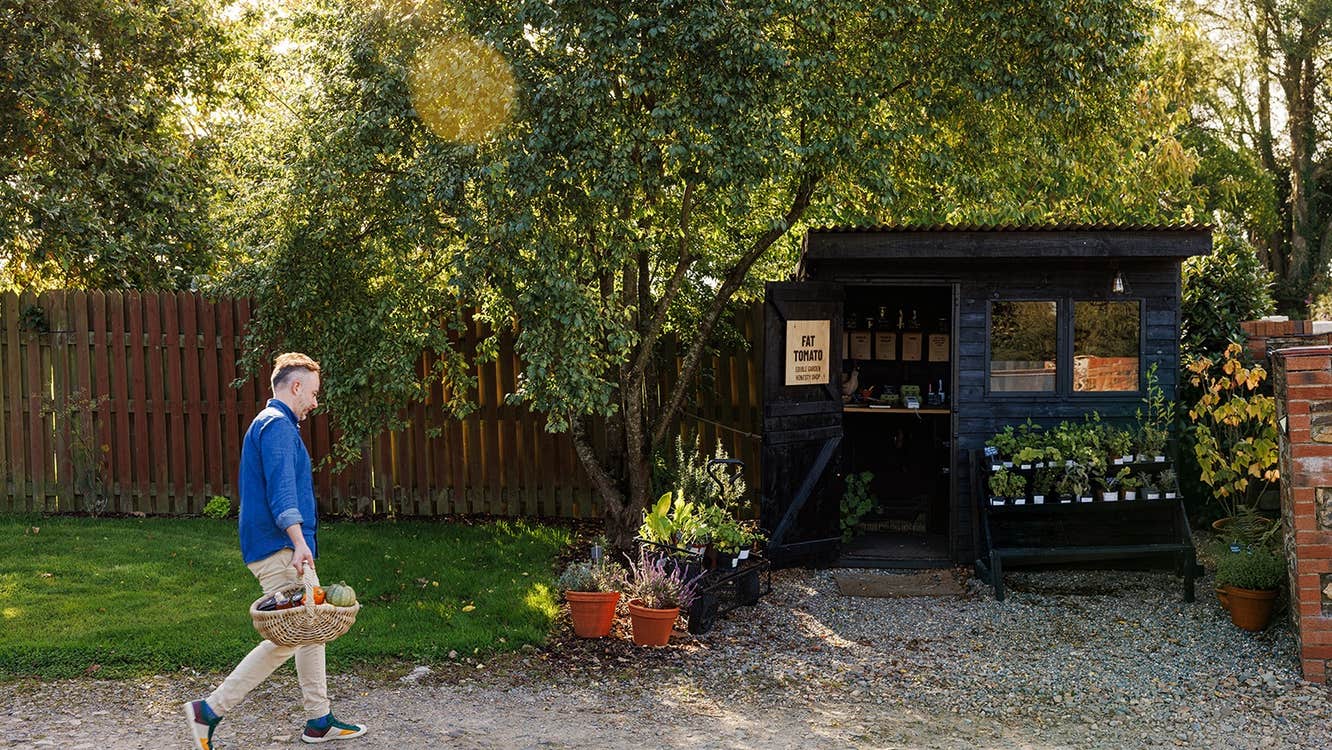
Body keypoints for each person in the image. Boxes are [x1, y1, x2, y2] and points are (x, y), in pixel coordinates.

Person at [184, 352, 367, 747]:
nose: (316, 402)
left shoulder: (271, 425)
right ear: (295, 386)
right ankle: (209, 710)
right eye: (313, 393)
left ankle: (319, 719)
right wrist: (300, 542)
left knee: (309, 627)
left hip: (280, 543)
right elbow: (282, 490)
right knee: (292, 636)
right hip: (281, 545)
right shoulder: (278, 427)